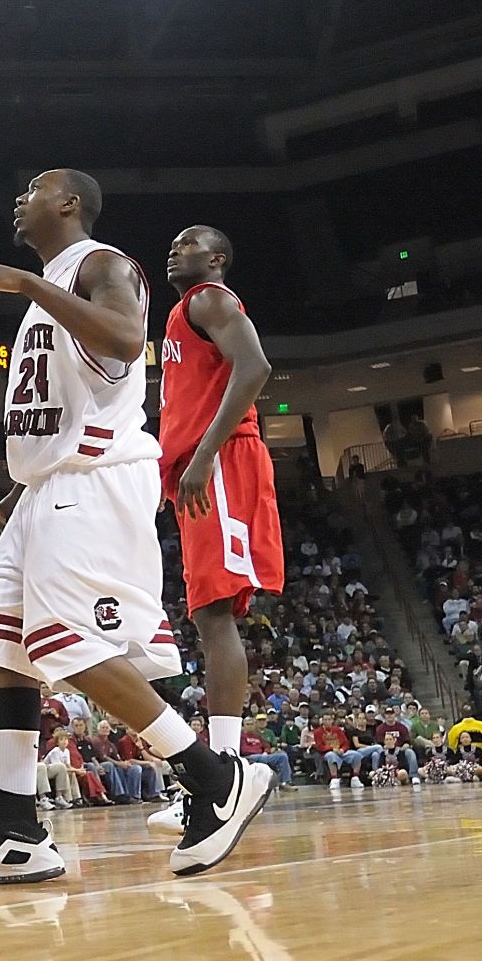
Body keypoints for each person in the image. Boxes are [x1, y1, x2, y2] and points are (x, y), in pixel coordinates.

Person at [0, 169, 272, 885]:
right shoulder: (59, 277)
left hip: (94, 478)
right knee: (0, 646)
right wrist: (21, 488)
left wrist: (23, 285)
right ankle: (18, 828)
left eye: (33, 189)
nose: (19, 199)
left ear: (70, 205)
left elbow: (122, 341)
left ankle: (214, 776)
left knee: (66, 643)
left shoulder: (103, 264)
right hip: (46, 485)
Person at [149, 226, 284, 836]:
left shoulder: (210, 299)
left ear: (217, 259)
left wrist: (203, 456)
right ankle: (218, 774)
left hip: (222, 460)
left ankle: (225, 771)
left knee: (215, 613)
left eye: (189, 243)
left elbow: (254, 367)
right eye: (173, 244)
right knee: (208, 613)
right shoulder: (183, 312)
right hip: (198, 465)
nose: (175, 249)